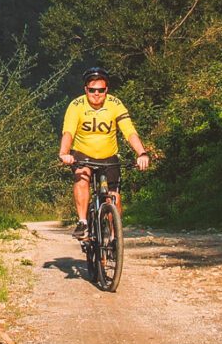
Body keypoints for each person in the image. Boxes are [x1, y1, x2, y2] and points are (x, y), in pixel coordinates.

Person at [58, 66, 154, 239]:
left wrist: (142, 153)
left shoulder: (115, 104)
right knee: (82, 176)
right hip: (83, 154)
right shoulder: (76, 106)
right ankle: (83, 222)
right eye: (92, 90)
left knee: (114, 196)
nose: (96, 94)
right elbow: (68, 133)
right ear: (85, 89)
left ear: (106, 89)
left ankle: (114, 236)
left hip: (109, 157)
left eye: (101, 90)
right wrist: (64, 152)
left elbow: (129, 131)